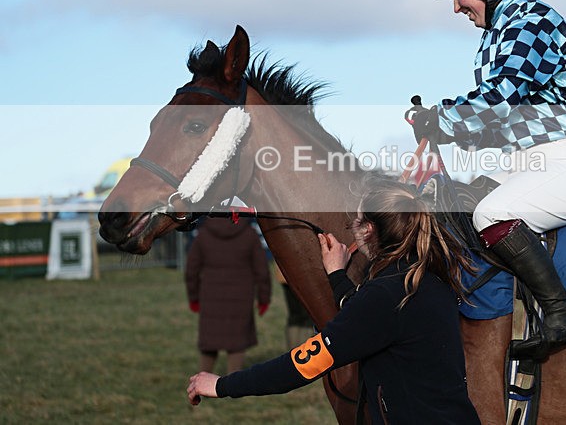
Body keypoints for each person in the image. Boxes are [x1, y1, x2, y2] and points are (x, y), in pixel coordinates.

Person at [414, 0, 566, 358]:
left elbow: (500, 97)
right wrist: (443, 127)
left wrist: (442, 118)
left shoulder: (530, 21)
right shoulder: (499, 32)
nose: (456, 7)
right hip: (530, 162)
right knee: (459, 206)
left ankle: (563, 314)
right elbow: (497, 123)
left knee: (493, 213)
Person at [186, 178, 481, 424]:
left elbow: (303, 364)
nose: (352, 225)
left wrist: (222, 385)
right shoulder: (428, 278)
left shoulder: (384, 295)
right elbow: (370, 322)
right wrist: (338, 275)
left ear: (368, 230)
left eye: (356, 220)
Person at [185, 217, 272, 374]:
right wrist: (264, 299)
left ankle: (202, 381)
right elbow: (262, 271)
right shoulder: (249, 234)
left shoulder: (203, 234)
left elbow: (191, 270)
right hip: (241, 299)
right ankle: (232, 383)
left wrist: (194, 298)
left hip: (210, 298)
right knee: (236, 344)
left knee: (209, 343)